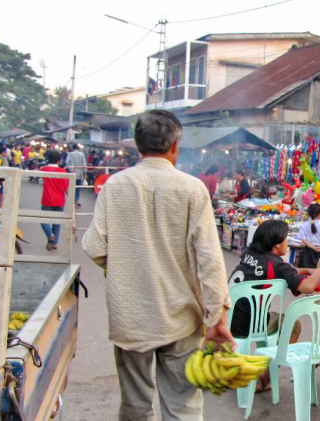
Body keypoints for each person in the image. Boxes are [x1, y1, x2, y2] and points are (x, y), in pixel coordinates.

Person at [83, 110, 233, 421]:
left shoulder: (114, 185)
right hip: (182, 318)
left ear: (138, 146)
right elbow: (209, 260)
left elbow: (94, 246)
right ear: (175, 146)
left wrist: (123, 267)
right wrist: (217, 317)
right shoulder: (192, 189)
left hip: (131, 318)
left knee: (136, 408)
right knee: (183, 407)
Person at [228, 219, 320, 392]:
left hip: (228, 317)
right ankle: (263, 377)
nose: (288, 243)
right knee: (293, 326)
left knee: (275, 318)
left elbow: (282, 270)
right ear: (276, 245)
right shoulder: (276, 263)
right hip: (250, 324)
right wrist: (319, 271)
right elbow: (307, 287)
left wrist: (304, 271)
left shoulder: (249, 253)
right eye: (285, 239)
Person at [40, 150, 69, 251]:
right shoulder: (63, 172)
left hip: (47, 199)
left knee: (42, 219)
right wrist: (72, 199)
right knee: (57, 222)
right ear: (59, 160)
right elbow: (66, 188)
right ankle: (55, 243)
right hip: (59, 200)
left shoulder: (44, 169)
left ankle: (50, 234)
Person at [297, 203, 320, 268]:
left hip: (306, 255)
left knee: (305, 275)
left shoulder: (304, 225)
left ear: (309, 213)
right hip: (319, 253)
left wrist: (312, 247)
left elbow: (303, 239)